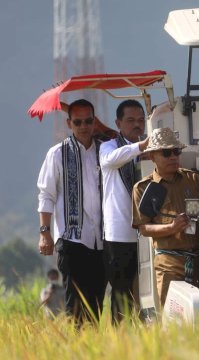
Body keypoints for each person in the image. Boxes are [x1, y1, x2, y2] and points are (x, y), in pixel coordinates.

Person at [37, 99, 107, 323]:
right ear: (69, 123)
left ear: (95, 121)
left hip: (102, 239)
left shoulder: (105, 150)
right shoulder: (57, 154)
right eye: (78, 122)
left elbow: (125, 135)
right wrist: (44, 232)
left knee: (96, 304)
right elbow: (46, 195)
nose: (84, 126)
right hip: (71, 238)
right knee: (74, 304)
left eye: (88, 121)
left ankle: (91, 349)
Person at [131, 128, 199, 306]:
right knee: (172, 319)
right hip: (168, 262)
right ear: (152, 156)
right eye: (166, 152)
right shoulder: (142, 188)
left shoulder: (194, 179)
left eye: (176, 151)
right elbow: (143, 228)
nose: (173, 157)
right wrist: (171, 228)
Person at [100, 99, 148, 323]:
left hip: (148, 232)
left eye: (141, 120)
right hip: (120, 234)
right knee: (121, 293)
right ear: (118, 123)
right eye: (130, 120)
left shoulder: (148, 150)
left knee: (146, 292)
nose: (137, 125)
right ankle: (119, 343)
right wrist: (141, 147)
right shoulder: (108, 147)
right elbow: (112, 160)